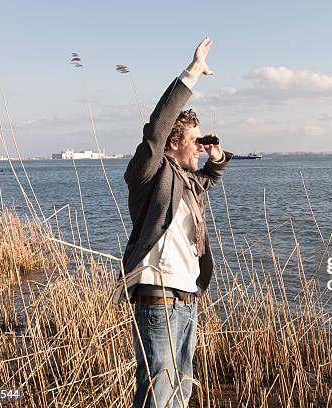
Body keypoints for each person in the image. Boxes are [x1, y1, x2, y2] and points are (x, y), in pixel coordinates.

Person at [112, 37, 232, 408]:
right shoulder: (150, 175)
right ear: (172, 144)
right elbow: (157, 129)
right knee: (158, 391)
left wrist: (216, 158)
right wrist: (191, 72)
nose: (198, 145)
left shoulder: (188, 182)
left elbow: (208, 179)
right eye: (194, 140)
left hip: (186, 301)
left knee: (181, 392)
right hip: (158, 300)